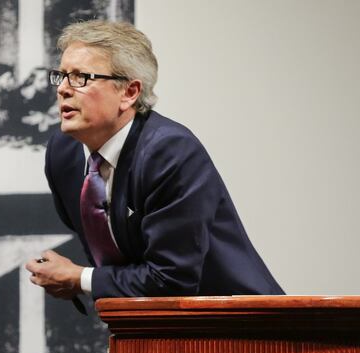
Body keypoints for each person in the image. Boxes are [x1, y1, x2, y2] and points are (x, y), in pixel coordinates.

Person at [25, 20, 283, 302]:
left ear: (129, 92)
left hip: (240, 326)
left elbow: (170, 280)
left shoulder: (170, 152)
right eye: (61, 76)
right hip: (148, 328)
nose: (63, 89)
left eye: (80, 77)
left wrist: (79, 278)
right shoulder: (64, 154)